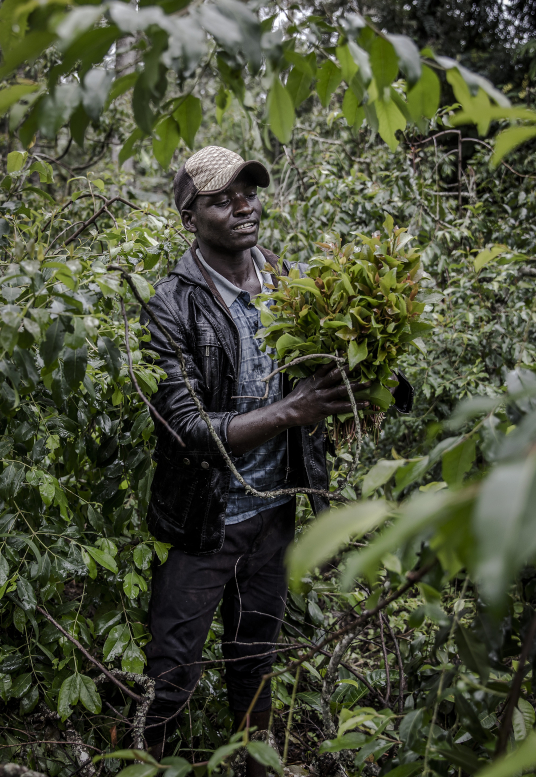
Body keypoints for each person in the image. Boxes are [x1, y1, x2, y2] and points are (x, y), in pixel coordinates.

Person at [139, 145, 413, 769]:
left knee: (254, 664)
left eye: (248, 192)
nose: (243, 207)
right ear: (190, 217)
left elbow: (329, 369)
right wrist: (296, 410)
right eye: (221, 199)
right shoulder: (170, 304)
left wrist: (379, 381)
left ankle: (255, 767)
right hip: (204, 522)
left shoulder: (290, 283)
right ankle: (142, 759)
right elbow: (184, 429)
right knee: (170, 676)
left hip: (273, 516)